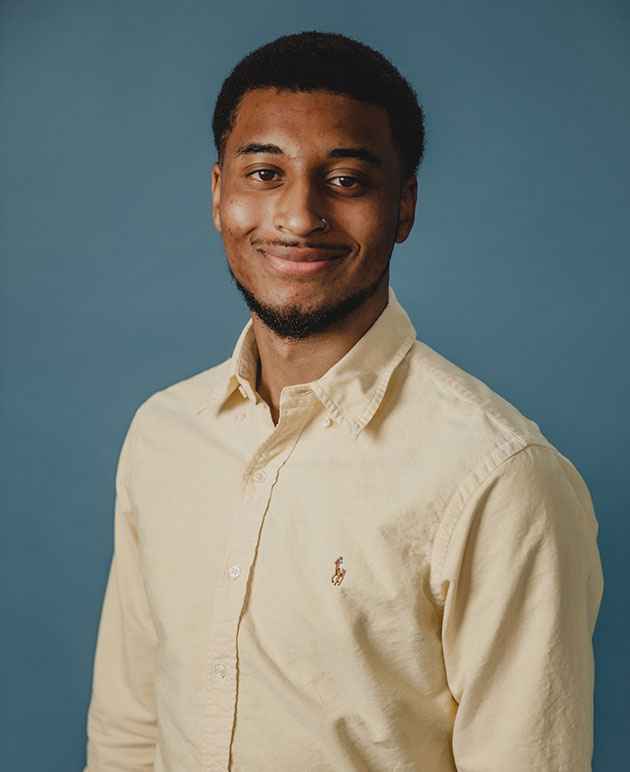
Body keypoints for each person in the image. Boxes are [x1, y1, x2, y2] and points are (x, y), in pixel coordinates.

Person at [83, 30, 604, 772]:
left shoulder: (500, 478)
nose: (298, 217)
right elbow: (128, 735)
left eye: (348, 181)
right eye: (264, 173)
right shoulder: (163, 434)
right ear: (217, 194)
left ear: (404, 208)